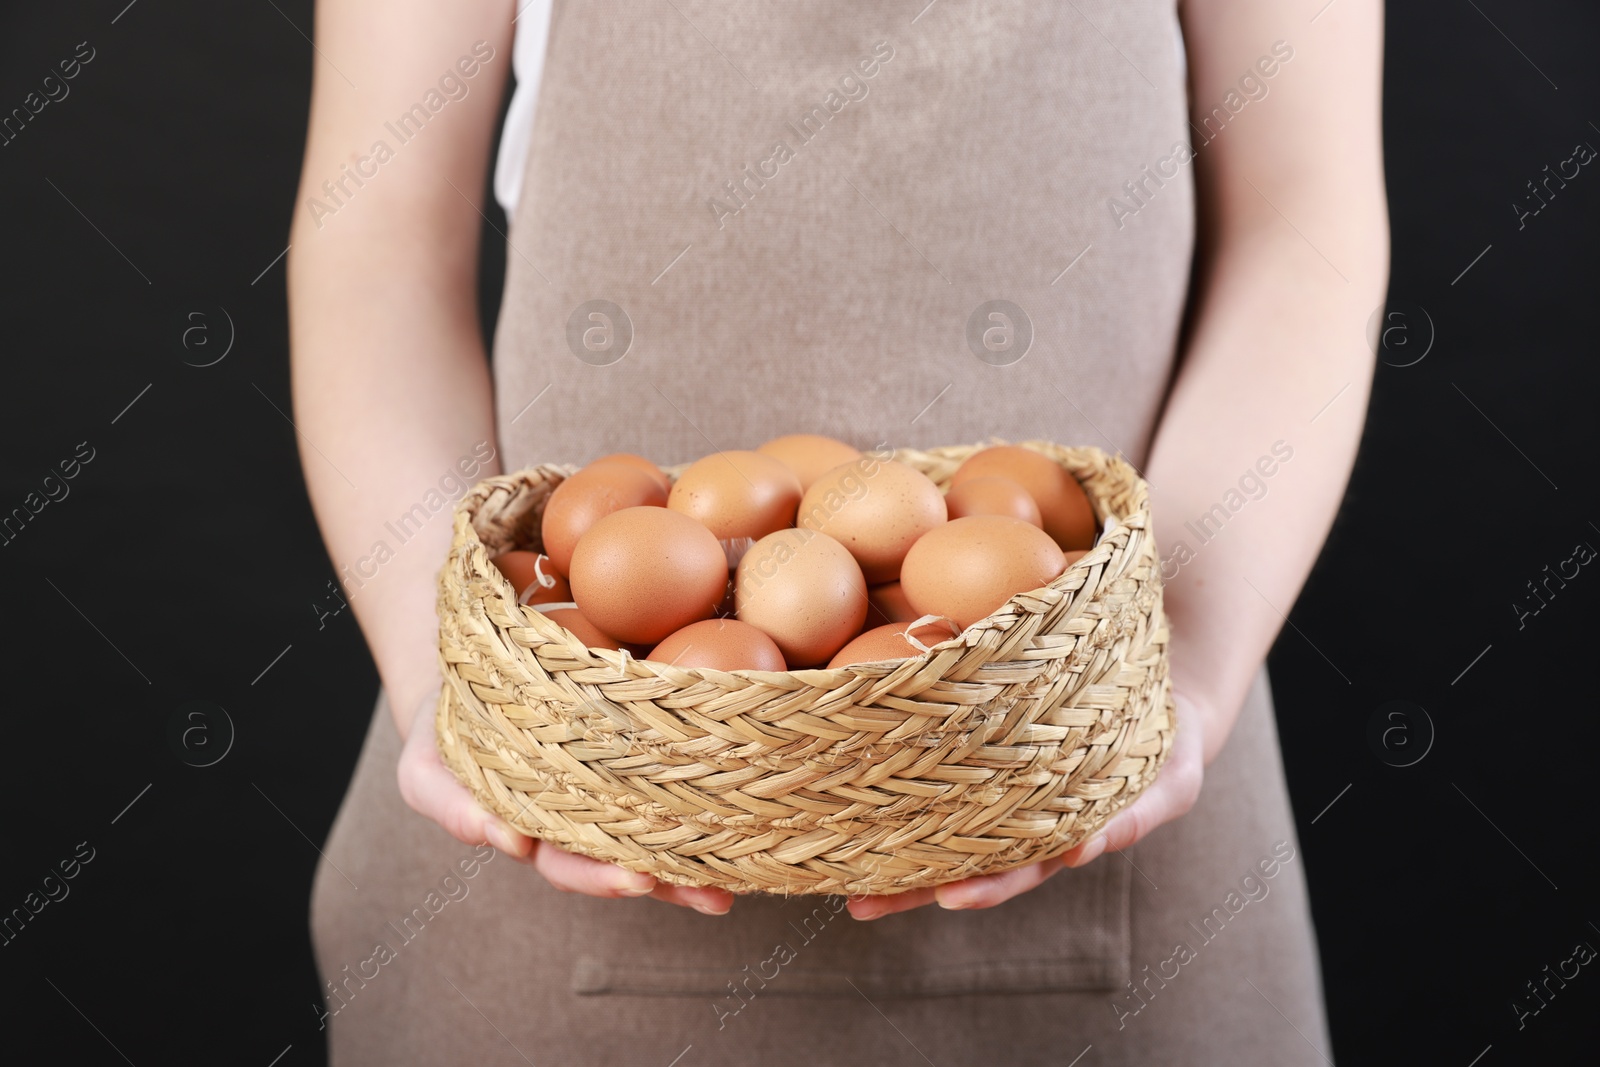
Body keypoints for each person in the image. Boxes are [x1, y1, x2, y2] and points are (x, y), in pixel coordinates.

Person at [289, 1, 1387, 1062]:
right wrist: (460, 683)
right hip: (561, 816)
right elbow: (374, 243)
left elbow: (1305, 229)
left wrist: (1178, 669)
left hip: (1092, 775)